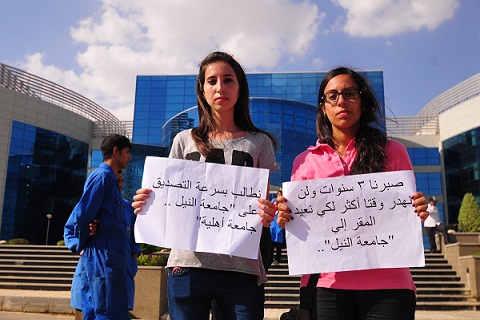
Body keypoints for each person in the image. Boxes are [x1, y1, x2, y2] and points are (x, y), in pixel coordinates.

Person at [132, 51, 279, 320]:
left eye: (228, 80)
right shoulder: (183, 140)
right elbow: (167, 195)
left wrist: (268, 215)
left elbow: (264, 205)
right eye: (212, 81)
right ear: (202, 89)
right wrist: (148, 202)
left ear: (240, 87)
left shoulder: (260, 143)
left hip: (242, 270)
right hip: (188, 266)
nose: (220, 87)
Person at [276, 67, 429, 320]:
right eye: (332, 96)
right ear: (323, 107)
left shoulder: (393, 151)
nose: (341, 101)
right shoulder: (305, 161)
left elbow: (404, 217)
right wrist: (286, 216)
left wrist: (417, 211)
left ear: (363, 102)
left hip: (390, 285)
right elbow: (299, 227)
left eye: (350, 93)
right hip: (326, 287)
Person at [64, 134, 132, 320]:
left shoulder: (110, 180)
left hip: (112, 259)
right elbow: (83, 214)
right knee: (105, 311)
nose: (129, 157)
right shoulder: (102, 176)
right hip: (103, 258)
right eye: (127, 152)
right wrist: (82, 243)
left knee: (114, 311)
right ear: (116, 151)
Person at [116, 170, 142, 311]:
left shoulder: (128, 208)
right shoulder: (97, 205)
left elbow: (134, 239)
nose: (120, 185)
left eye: (122, 181)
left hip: (125, 268)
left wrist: (133, 262)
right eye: (116, 181)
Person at [270, 189, 285, 265]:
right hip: (272, 231)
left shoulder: (283, 207)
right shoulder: (272, 212)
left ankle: (277, 260)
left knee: (279, 248)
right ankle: (270, 260)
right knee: (271, 248)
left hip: (279, 231)